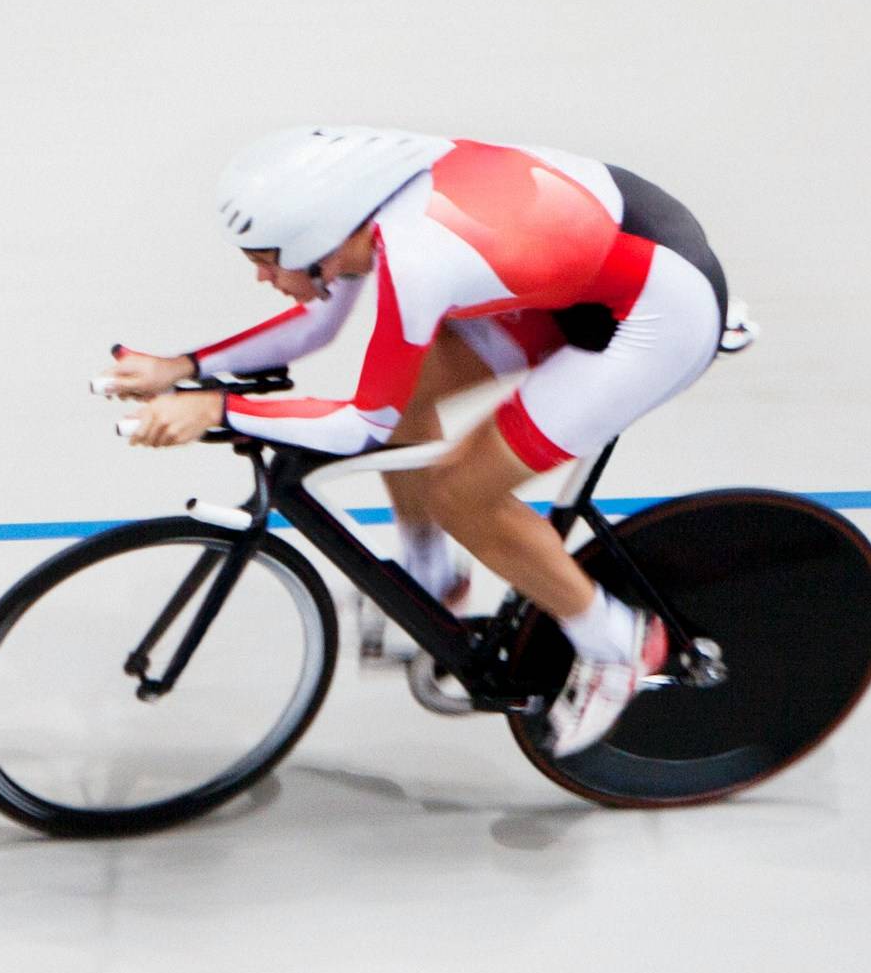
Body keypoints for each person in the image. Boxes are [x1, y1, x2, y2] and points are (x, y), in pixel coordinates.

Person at [108, 127, 744, 758]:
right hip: (582, 268)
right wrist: (180, 367)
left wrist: (220, 407)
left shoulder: (420, 258)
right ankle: (431, 575)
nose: (261, 276)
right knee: (415, 396)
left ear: (313, 240)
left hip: (658, 312)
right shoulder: (362, 214)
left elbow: (365, 426)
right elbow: (315, 326)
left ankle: (619, 645)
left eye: (265, 260)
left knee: (465, 496)